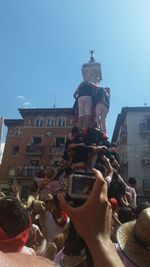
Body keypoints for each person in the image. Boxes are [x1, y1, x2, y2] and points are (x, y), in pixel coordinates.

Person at [0, 169, 125, 267]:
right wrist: (100, 240)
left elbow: (29, 213)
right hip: (56, 251)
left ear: (53, 204)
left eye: (50, 203)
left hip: (60, 251)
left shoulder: (55, 217)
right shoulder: (60, 217)